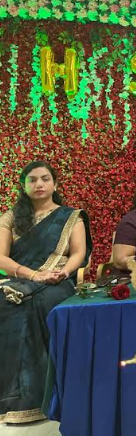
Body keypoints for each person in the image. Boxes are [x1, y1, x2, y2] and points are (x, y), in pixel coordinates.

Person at [0, 161, 91, 424]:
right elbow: (1, 258)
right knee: (8, 301)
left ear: (55, 184)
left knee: (33, 302)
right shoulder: (10, 218)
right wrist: (32, 274)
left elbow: (78, 253)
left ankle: (41, 397)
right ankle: (11, 398)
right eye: (32, 180)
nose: (39, 184)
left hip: (57, 281)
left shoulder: (71, 216)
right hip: (19, 279)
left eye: (45, 179)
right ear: (23, 185)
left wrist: (64, 273)